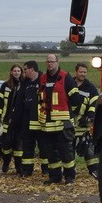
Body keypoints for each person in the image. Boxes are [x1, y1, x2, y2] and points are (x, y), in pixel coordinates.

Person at [37, 54, 84, 185]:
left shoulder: (65, 77)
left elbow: (76, 99)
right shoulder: (43, 78)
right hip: (48, 123)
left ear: (57, 62)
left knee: (66, 152)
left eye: (52, 62)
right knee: (51, 152)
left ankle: (69, 177)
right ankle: (55, 177)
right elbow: (40, 99)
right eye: (48, 62)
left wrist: (70, 114)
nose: (49, 64)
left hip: (64, 123)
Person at [12, 61, 42, 177]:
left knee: (44, 148)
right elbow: (19, 103)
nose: (23, 72)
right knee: (27, 147)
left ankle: (46, 170)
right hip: (27, 121)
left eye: (25, 70)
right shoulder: (24, 83)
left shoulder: (42, 81)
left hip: (40, 121)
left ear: (31, 69)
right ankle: (26, 171)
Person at [72, 62, 100, 179]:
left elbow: (94, 104)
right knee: (68, 149)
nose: (83, 74)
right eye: (81, 72)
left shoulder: (90, 87)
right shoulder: (69, 84)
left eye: (85, 72)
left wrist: (89, 116)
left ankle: (94, 170)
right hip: (69, 124)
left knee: (88, 149)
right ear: (76, 72)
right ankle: (69, 171)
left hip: (83, 125)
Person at [0, 64, 22, 173]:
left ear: (21, 72)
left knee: (18, 146)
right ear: (11, 72)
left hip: (19, 122)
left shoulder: (24, 85)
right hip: (6, 120)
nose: (16, 73)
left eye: (18, 71)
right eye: (14, 71)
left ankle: (18, 168)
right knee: (6, 146)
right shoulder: (5, 85)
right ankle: (6, 162)